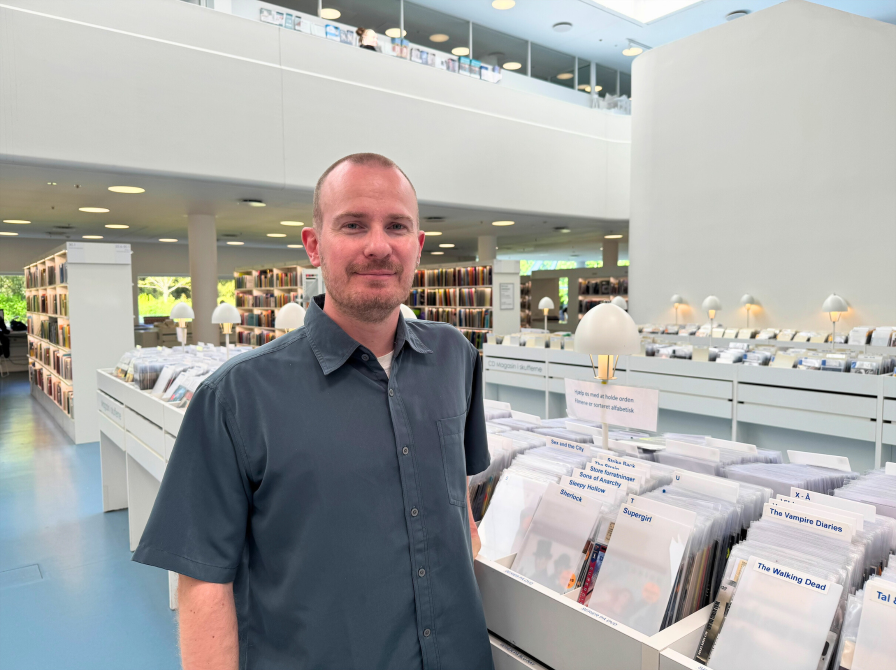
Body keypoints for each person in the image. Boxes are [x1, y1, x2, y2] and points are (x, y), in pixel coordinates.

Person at [133, 153, 494, 670]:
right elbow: (204, 582)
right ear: (314, 245)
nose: (377, 245)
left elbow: (458, 487)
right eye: (352, 225)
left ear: (417, 247)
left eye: (396, 226)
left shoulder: (456, 357)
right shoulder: (236, 398)